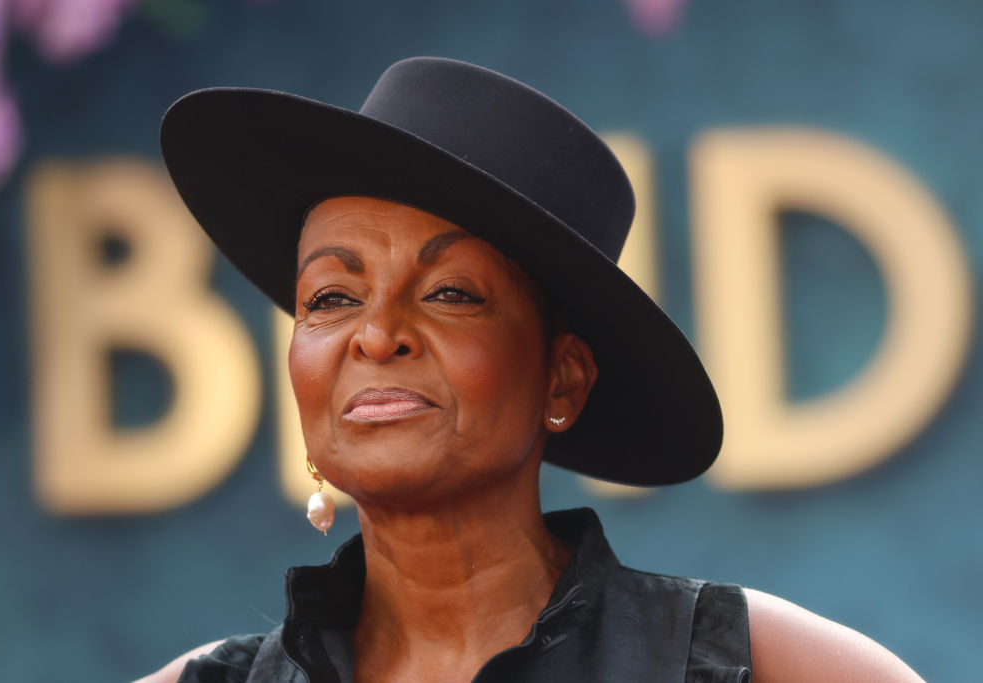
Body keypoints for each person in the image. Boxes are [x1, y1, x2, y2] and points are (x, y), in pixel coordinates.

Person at [141, 57, 923, 682]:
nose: (377, 335)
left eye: (449, 293)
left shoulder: (759, 667)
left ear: (563, 379)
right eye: (332, 296)